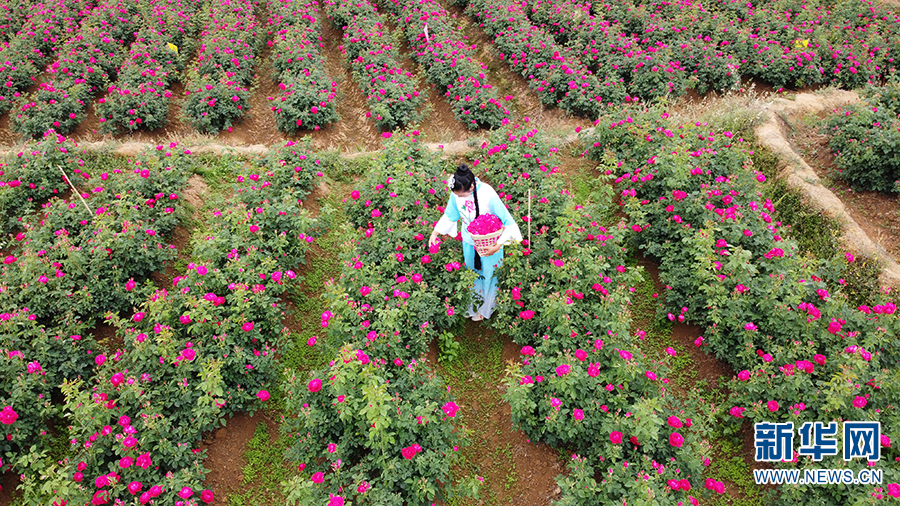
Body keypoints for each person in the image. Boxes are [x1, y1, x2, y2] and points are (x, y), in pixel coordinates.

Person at [429, 164, 522, 321]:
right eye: (457, 195)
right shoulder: (457, 191)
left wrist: (497, 246)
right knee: (472, 273)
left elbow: (508, 221)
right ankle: (472, 305)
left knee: (489, 274)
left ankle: (486, 309)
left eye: (462, 195)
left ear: (471, 186)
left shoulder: (487, 194)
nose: (459, 198)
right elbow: (450, 214)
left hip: (491, 244)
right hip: (470, 242)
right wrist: (435, 232)